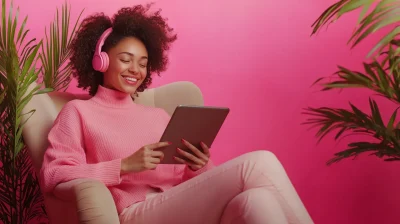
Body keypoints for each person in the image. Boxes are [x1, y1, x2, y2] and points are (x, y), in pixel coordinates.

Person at [40, 4, 313, 224]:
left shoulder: (158, 116)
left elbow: (188, 182)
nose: (135, 69)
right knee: (260, 163)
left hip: (179, 206)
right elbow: (54, 174)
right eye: (126, 59)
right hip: (135, 213)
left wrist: (199, 166)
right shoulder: (79, 112)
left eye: (143, 63)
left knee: (256, 202)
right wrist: (124, 165)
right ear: (101, 61)